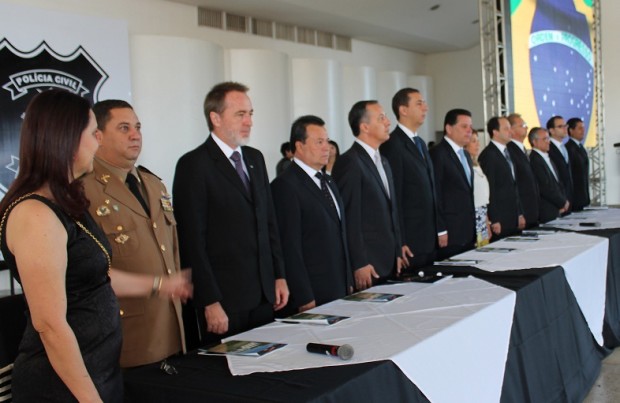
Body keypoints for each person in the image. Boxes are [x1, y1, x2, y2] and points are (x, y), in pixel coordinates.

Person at [0, 89, 191, 402]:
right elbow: (50, 325)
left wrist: (158, 284)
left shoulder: (64, 202)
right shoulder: (35, 214)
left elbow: (95, 275)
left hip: (98, 371)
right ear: (66, 139)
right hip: (63, 387)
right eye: (92, 133)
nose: (97, 142)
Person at [173, 82, 289, 347]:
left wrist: (278, 275)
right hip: (225, 300)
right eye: (240, 114)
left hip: (263, 295)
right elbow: (192, 240)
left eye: (250, 114)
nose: (249, 121)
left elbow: (268, 223)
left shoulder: (255, 159)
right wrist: (209, 300)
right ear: (215, 118)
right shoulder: (194, 165)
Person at [82, 100, 186, 368]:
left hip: (170, 326)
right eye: (124, 128)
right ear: (98, 136)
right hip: (127, 334)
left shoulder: (154, 184)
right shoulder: (84, 191)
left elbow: (170, 249)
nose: (135, 135)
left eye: (138, 127)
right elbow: (87, 269)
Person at [271, 115, 352, 314]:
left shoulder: (328, 181)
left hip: (338, 285)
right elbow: (289, 247)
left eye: (327, 141)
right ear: (299, 146)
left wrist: (348, 279)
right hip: (313, 293)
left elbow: (340, 232)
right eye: (319, 142)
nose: (327, 148)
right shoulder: (285, 185)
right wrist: (303, 296)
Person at [332, 100, 411, 290]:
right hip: (369, 264)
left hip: (389, 260)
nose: (388, 122)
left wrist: (397, 249)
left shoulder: (383, 161)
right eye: (381, 118)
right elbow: (350, 218)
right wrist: (359, 262)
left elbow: (392, 210)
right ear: (364, 127)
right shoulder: (350, 162)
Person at [380, 88, 439, 268]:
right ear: (403, 110)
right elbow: (395, 196)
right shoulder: (392, 144)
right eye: (419, 104)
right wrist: (401, 240)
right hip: (411, 240)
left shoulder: (420, 143)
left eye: (424, 103)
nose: (425, 108)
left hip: (429, 236)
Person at [429, 108, 476, 258]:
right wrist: (441, 229)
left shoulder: (466, 155)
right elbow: (436, 194)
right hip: (450, 232)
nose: (469, 131)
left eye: (470, 127)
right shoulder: (438, 154)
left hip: (468, 231)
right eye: (464, 126)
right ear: (449, 129)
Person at [478, 116, 525, 239]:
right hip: (500, 220)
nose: (510, 132)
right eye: (506, 129)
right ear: (495, 132)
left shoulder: (507, 152)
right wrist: (494, 219)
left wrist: (519, 213)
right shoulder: (489, 155)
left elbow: (514, 185)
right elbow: (490, 189)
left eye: (510, 128)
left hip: (512, 216)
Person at [528, 127, 570, 223]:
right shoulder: (534, 160)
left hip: (556, 209)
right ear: (534, 142)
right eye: (545, 139)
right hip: (546, 210)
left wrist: (564, 201)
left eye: (548, 138)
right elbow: (545, 186)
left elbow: (557, 182)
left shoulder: (548, 158)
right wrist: (562, 202)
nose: (548, 142)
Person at [507, 113, 540, 228]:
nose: (526, 127)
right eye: (522, 125)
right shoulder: (510, 150)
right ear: (511, 129)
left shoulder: (522, 149)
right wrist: (519, 213)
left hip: (532, 210)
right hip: (523, 211)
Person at [465, 130, 491, 248]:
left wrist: (487, 222)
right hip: (473, 216)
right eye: (473, 141)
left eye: (478, 141)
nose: (478, 144)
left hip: (482, 214)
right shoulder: (465, 166)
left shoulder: (477, 165)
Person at [546, 115, 573, 211]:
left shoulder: (564, 147)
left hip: (568, 198)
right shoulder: (548, 148)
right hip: (557, 201)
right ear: (551, 130)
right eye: (560, 126)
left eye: (565, 126)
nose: (565, 129)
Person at [565, 117, 590, 210]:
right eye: (579, 128)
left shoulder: (580, 147)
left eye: (583, 128)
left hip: (583, 196)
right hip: (575, 198)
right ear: (571, 130)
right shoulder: (569, 148)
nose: (583, 131)